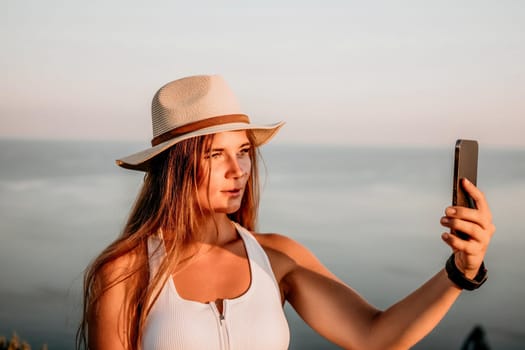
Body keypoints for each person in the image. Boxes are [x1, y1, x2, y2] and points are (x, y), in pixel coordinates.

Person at [76, 75, 495, 350]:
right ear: (175, 165)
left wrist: (460, 270)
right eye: (215, 154)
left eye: (242, 152)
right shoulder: (126, 272)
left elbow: (376, 338)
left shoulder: (277, 258)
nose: (237, 169)